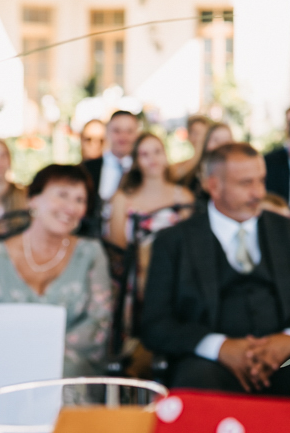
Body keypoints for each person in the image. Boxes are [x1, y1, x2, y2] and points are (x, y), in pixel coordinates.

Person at [142, 143, 290, 398]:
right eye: (246, 183)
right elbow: (155, 323)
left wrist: (289, 340)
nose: (259, 193)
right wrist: (219, 347)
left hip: (286, 358)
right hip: (208, 364)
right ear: (214, 186)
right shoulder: (173, 243)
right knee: (195, 387)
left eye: (261, 181)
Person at [0, 164, 112, 386]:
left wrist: (43, 356)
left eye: (80, 200)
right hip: (4, 371)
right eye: (62, 195)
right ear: (33, 200)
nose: (71, 208)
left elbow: (99, 322)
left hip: (69, 372)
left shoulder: (91, 253)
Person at [106, 133, 194, 295]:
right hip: (134, 280)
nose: (152, 159)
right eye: (144, 154)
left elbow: (190, 244)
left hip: (176, 279)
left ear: (165, 156)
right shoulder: (122, 198)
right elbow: (117, 246)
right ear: (136, 161)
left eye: (157, 152)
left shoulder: (183, 196)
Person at [81, 110, 140, 236]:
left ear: (137, 135)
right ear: (107, 133)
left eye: (129, 131)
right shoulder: (88, 169)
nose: (123, 137)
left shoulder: (142, 169)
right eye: (117, 131)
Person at [178, 122, 233, 202]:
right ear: (206, 143)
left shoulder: (239, 177)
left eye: (227, 141)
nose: (221, 145)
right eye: (216, 140)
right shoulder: (189, 179)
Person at [170, 114, 212, 182]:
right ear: (189, 136)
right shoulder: (180, 166)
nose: (199, 138)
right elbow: (174, 176)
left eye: (204, 134)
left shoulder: (214, 163)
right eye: (195, 133)